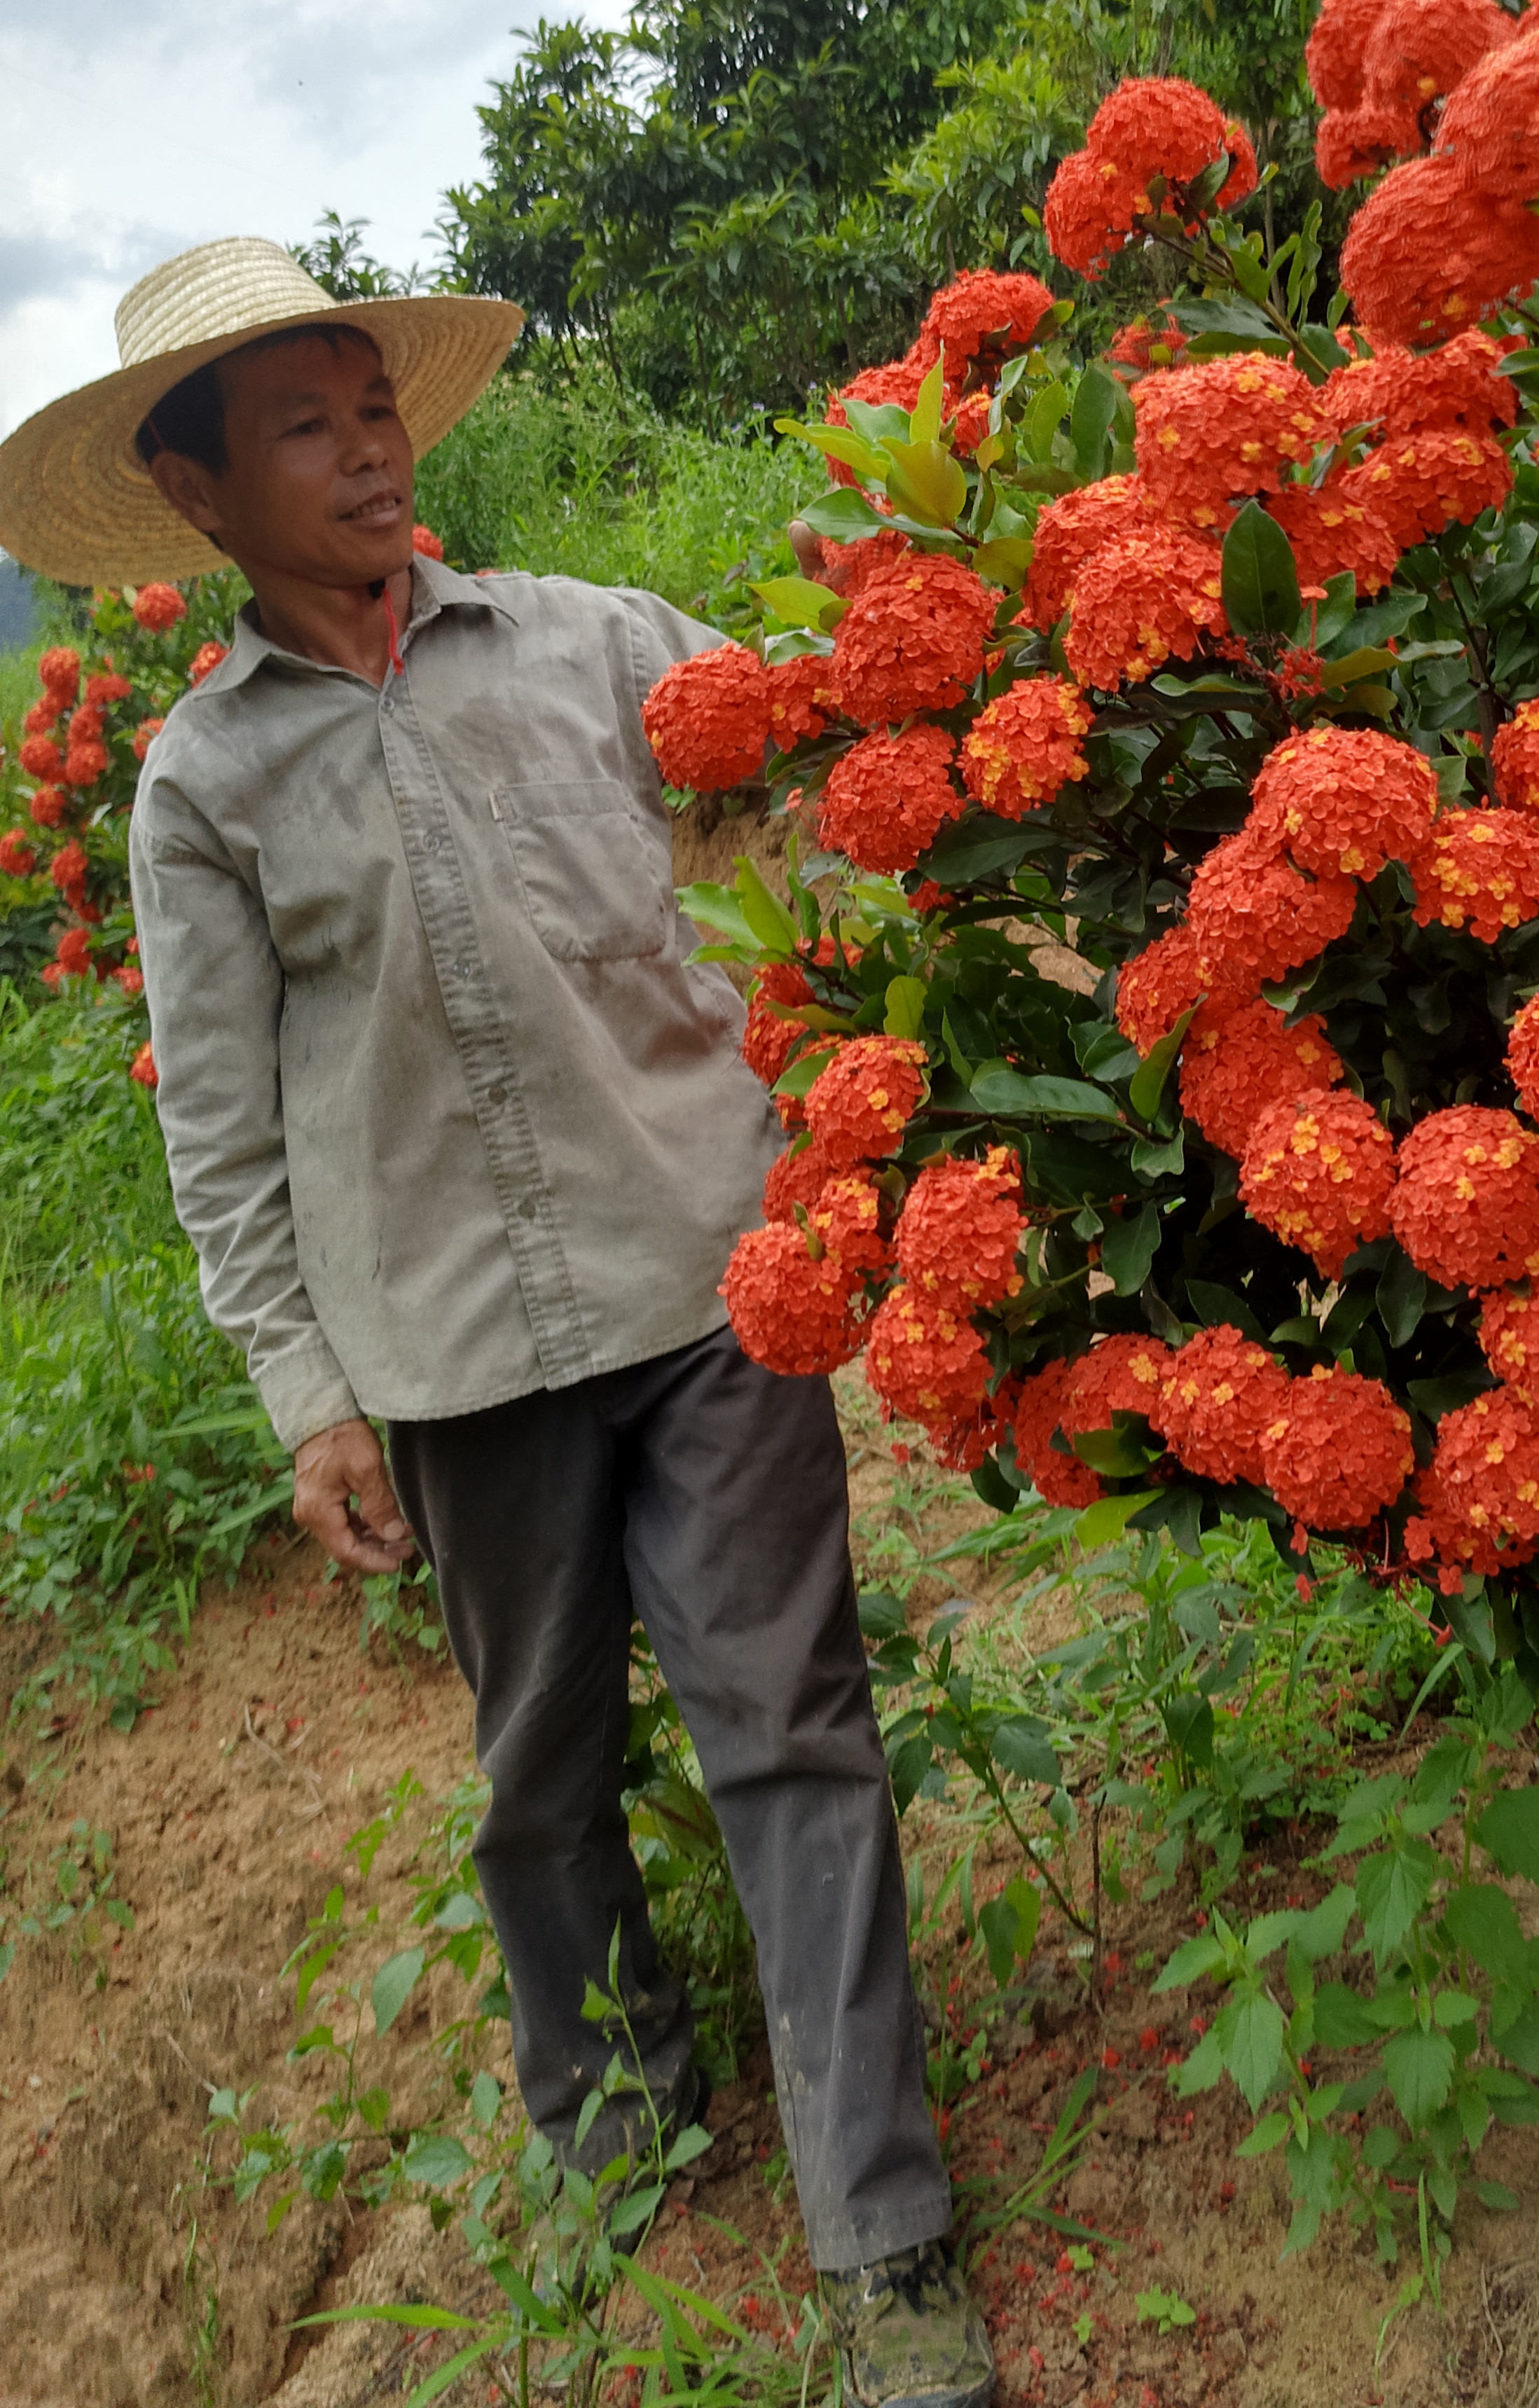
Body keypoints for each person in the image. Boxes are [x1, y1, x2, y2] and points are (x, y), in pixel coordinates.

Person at [0, 240, 993, 2408]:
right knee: (539, 1776)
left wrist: (847, 1001)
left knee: (792, 1730)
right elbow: (228, 1136)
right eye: (298, 421)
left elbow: (801, 779)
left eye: (372, 402)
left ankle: (885, 2227)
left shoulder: (596, 644)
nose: (361, 444)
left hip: (706, 1277)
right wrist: (304, 1397)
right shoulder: (199, 788)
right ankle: (619, 2125)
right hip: (449, 1358)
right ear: (191, 493)